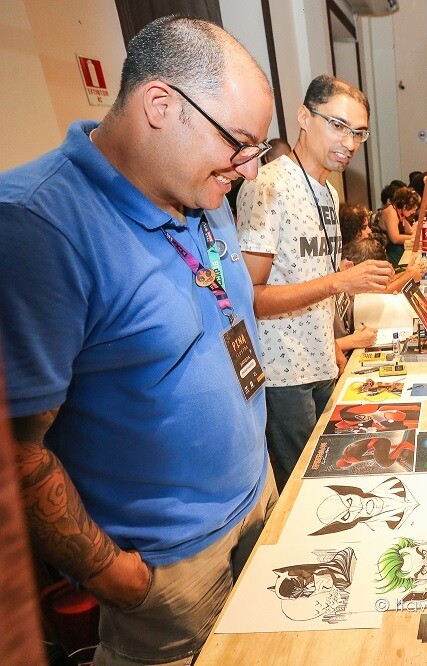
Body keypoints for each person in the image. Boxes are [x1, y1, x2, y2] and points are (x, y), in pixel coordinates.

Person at [0, 17, 278, 664]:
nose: (248, 169)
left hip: (255, 499)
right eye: (239, 143)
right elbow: (17, 448)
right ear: (161, 105)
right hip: (172, 569)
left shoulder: (202, 191)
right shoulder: (36, 228)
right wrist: (109, 573)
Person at [237, 75, 394, 492]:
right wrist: (340, 281)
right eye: (338, 125)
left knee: (339, 474)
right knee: (306, 490)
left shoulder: (327, 192)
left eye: (358, 132)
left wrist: (334, 348)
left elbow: (313, 276)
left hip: (321, 359)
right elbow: (249, 299)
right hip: (284, 373)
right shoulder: (266, 185)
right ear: (304, 117)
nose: (350, 142)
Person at [379, 185, 419, 266]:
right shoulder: (391, 211)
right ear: (405, 206)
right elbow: (395, 238)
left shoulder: (400, 212)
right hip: (389, 253)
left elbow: (410, 231)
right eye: (413, 208)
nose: (414, 211)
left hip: (396, 250)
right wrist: (415, 238)